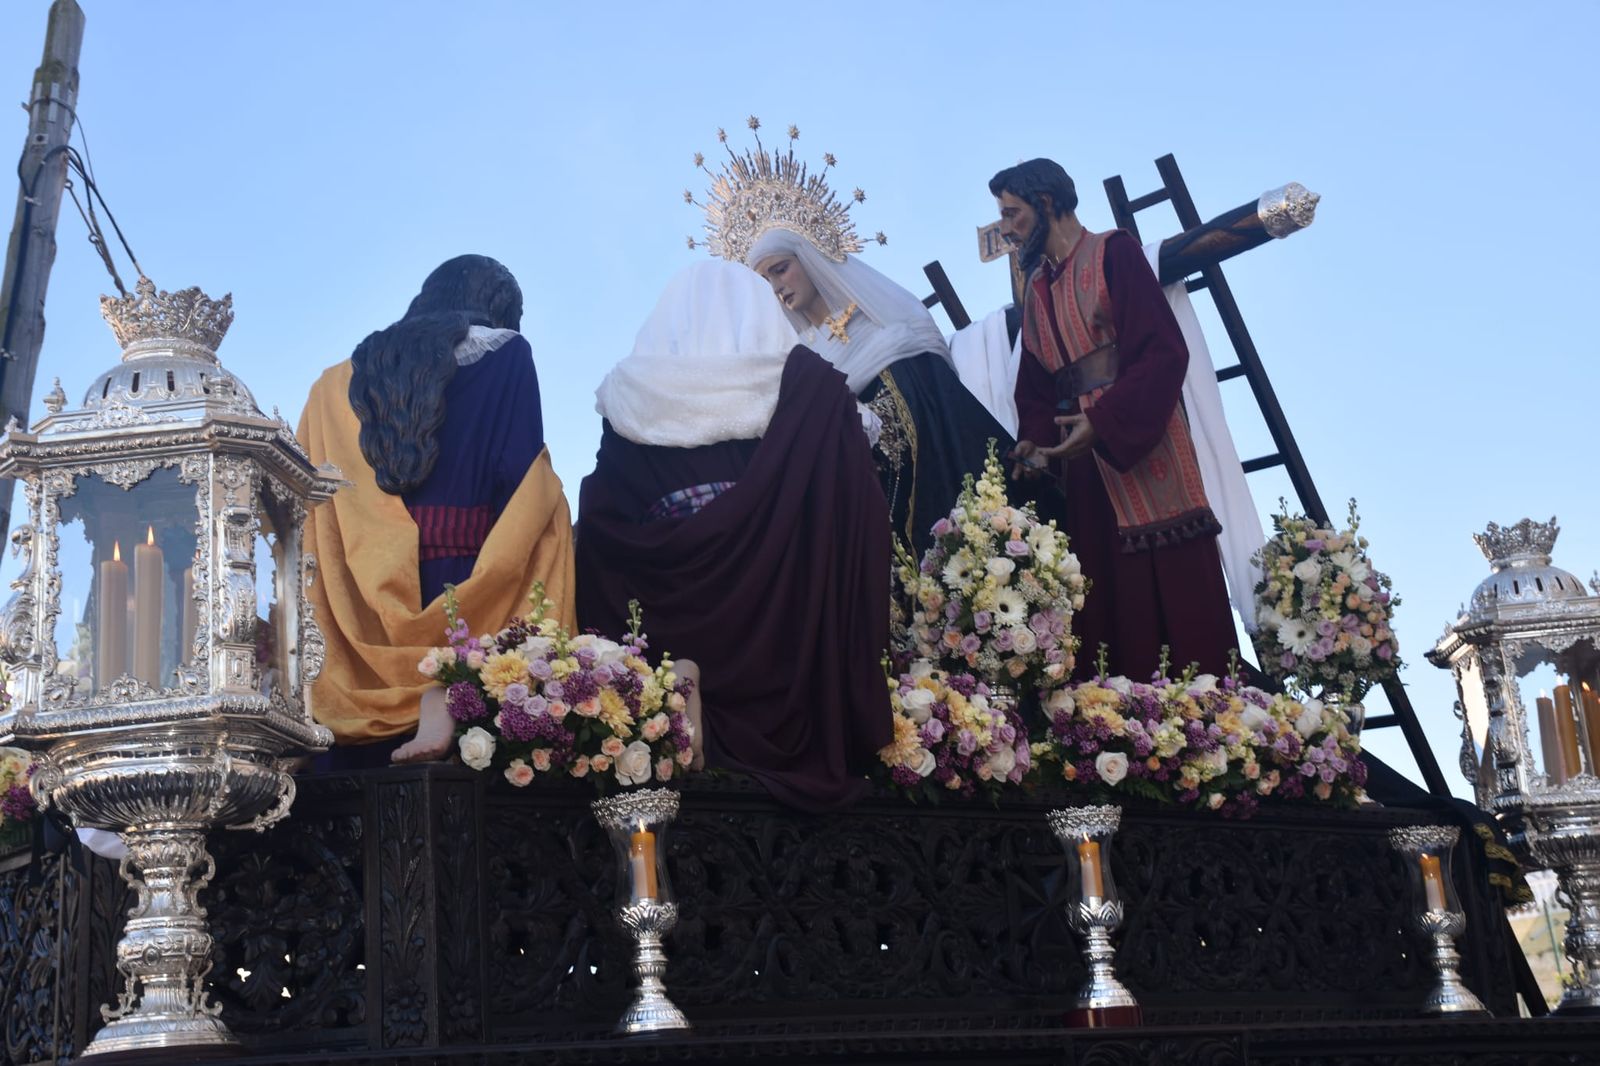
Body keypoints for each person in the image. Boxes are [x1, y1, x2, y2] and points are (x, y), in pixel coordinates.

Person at [575, 260, 892, 812]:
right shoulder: (809, 389)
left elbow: (603, 522)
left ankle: (673, 692)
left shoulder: (632, 395)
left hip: (670, 605)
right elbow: (857, 510)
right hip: (786, 614)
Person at [298, 254, 575, 765]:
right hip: (475, 579)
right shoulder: (507, 353)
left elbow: (312, 498)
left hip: (363, 594)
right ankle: (445, 693)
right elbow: (521, 478)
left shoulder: (333, 385)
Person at [990, 159, 1238, 679]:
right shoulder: (1036, 290)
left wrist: (1103, 422)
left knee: (1179, 607)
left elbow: (1163, 351)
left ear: (1046, 203)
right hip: (1084, 472)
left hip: (1143, 451)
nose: (1007, 228)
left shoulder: (1114, 253)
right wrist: (1034, 442)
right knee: (1106, 604)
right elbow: (1035, 388)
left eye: (1012, 214)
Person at [746, 227, 1045, 560]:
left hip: (941, 478)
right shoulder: (802, 362)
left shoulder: (885, 324)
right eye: (765, 281)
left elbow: (945, 405)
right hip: (871, 513)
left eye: (780, 269)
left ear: (809, 258)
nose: (776, 287)